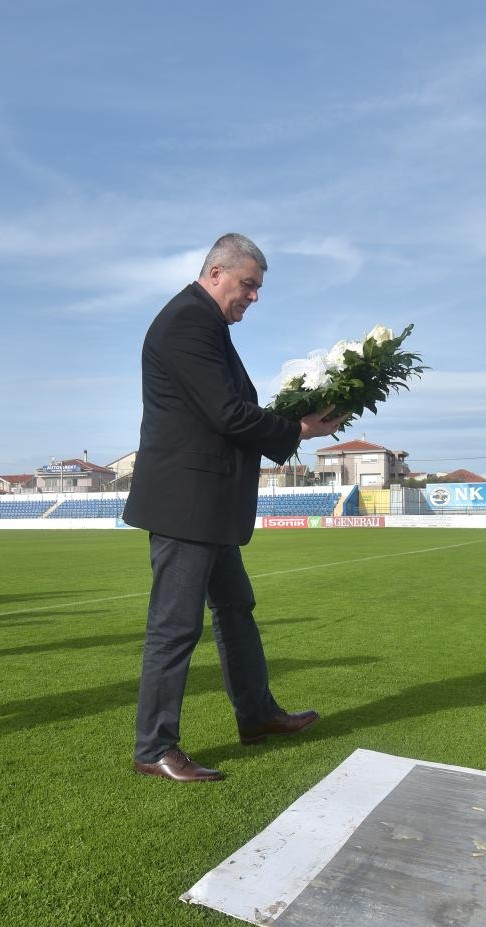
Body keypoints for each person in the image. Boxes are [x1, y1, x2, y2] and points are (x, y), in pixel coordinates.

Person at [121, 233, 346, 782]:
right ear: (216, 273)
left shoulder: (206, 324)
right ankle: (154, 748)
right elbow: (226, 413)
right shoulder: (187, 322)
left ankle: (256, 714)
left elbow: (230, 409)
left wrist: (295, 417)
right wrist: (297, 428)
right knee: (175, 627)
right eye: (248, 284)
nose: (254, 296)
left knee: (235, 608)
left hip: (209, 502)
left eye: (258, 287)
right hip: (187, 503)